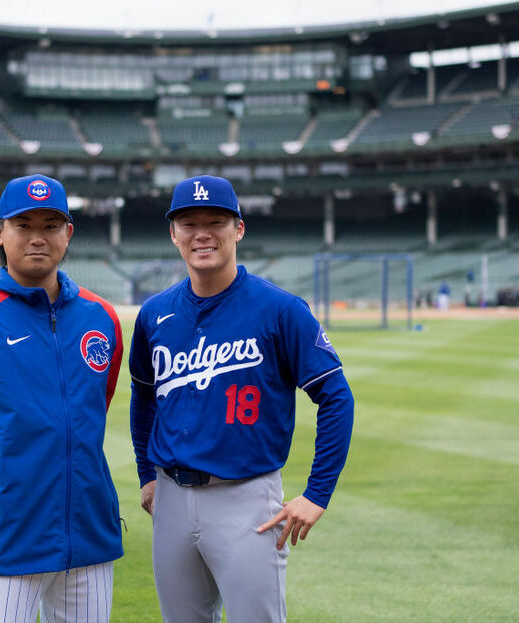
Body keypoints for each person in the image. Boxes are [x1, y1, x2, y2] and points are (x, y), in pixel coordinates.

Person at [129, 175, 354, 623]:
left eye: (216, 221)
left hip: (247, 498)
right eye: (189, 223)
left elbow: (335, 397)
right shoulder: (155, 313)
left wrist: (317, 494)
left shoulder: (280, 309)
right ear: (173, 233)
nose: (202, 233)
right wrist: (145, 474)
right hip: (171, 496)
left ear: (239, 229)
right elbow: (144, 396)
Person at [0, 174, 123, 623]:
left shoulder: (101, 317)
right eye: (23, 225)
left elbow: (92, 410)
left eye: (51, 225)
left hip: (88, 533)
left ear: (68, 233)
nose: (37, 237)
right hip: (6, 538)